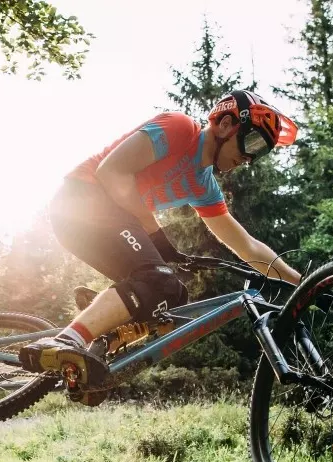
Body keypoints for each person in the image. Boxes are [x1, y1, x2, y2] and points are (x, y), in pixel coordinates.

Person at [18, 89, 303, 393]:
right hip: (83, 198)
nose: (248, 158)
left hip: (98, 222)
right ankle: (66, 341)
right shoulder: (180, 128)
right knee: (160, 282)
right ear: (225, 124)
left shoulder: (203, 185)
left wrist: (304, 284)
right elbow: (112, 172)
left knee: (174, 298)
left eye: (259, 153)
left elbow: (247, 246)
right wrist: (156, 235)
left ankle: (96, 347)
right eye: (252, 142)